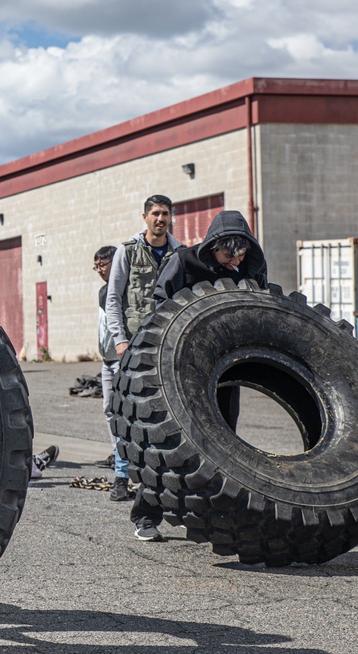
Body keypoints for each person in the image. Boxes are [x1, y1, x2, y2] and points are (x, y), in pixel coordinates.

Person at [128, 209, 268, 542]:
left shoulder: (251, 267)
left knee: (222, 445)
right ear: (212, 245)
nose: (234, 260)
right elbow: (160, 306)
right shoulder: (184, 262)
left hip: (225, 370)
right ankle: (146, 515)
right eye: (226, 253)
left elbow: (262, 309)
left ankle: (209, 518)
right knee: (171, 444)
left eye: (240, 253)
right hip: (181, 371)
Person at [104, 195, 184, 506]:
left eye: (165, 214)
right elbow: (114, 299)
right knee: (127, 412)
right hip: (133, 346)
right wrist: (120, 341)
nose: (160, 219)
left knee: (167, 413)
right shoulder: (127, 252)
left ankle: (163, 480)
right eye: (155, 214)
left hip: (166, 345)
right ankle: (122, 477)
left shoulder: (180, 253)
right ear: (144, 217)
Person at [94, 245, 134, 497]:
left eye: (102, 264)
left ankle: (124, 470)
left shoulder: (123, 290)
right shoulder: (102, 291)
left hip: (121, 359)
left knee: (122, 413)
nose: (99, 270)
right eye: (96, 266)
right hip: (107, 360)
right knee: (109, 409)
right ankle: (118, 456)